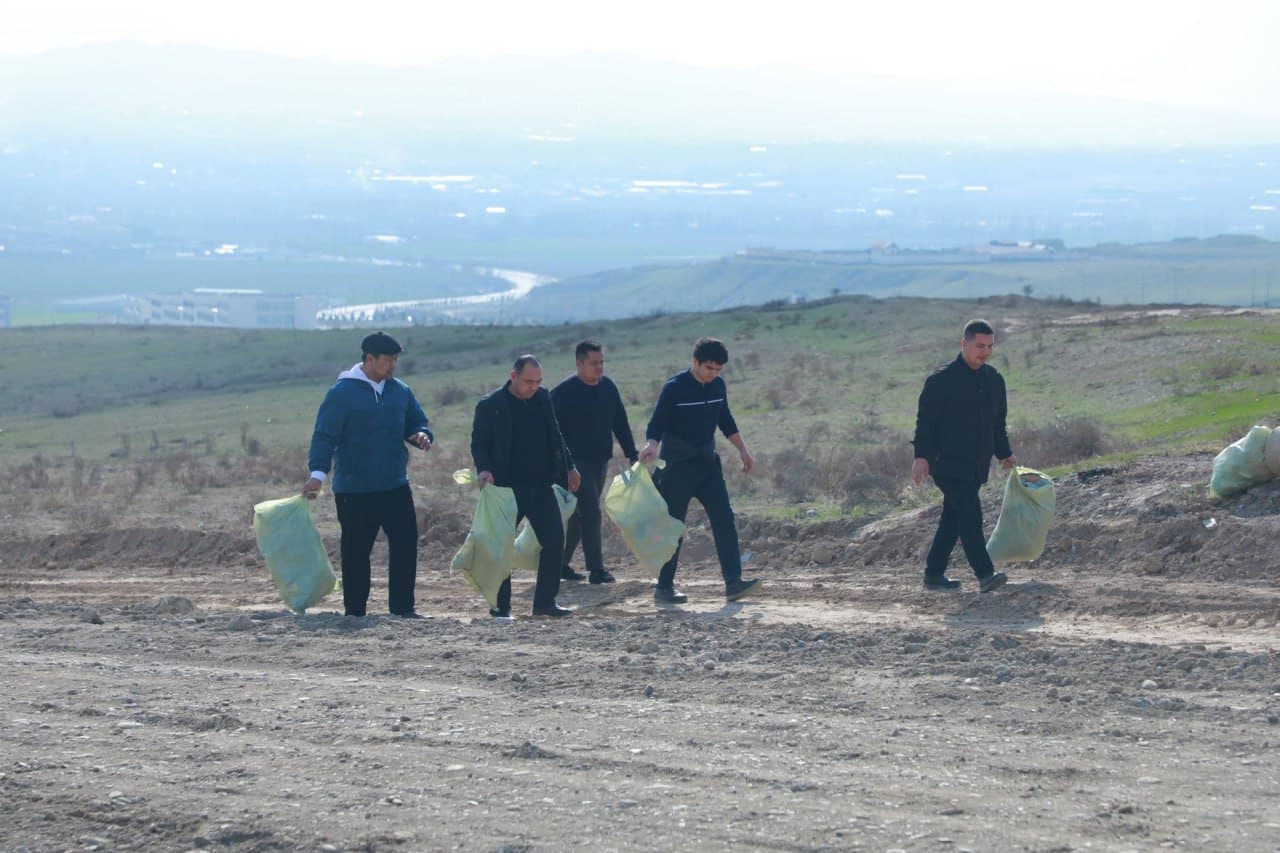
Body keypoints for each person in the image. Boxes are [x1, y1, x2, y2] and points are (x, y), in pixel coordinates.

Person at [304, 332, 433, 617]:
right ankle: (355, 612)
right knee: (356, 552)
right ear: (369, 358)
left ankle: (403, 609)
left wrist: (422, 435)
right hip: (354, 489)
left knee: (405, 545)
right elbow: (324, 436)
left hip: (395, 485)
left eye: (396, 360)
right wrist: (317, 474)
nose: (393, 366)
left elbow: (417, 421)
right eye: (388, 360)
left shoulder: (400, 391)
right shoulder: (341, 394)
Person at [638, 337, 761, 604]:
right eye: (708, 368)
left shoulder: (717, 386)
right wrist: (651, 445)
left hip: (707, 465)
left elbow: (725, 419)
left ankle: (734, 583)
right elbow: (657, 422)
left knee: (724, 519)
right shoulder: (675, 388)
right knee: (673, 527)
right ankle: (664, 586)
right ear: (694, 362)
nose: (713, 374)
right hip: (676, 468)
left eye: (718, 369)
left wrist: (743, 450)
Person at [471, 355, 582, 618]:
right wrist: (484, 470)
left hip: (541, 485)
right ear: (513, 377)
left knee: (555, 541)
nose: (534, 386)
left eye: (538, 381)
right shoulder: (491, 405)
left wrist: (569, 466)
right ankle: (501, 607)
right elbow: (478, 444)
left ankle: (545, 603)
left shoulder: (542, 398)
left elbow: (556, 434)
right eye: (528, 381)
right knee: (501, 547)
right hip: (505, 490)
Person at [911, 318, 1017, 593]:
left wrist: (1004, 453)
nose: (985, 351)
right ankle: (985, 574)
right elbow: (925, 423)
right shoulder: (941, 380)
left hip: (976, 464)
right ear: (964, 344)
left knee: (954, 516)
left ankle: (934, 573)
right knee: (970, 514)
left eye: (990, 346)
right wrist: (922, 457)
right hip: (947, 463)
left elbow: (997, 424)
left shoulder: (994, 380)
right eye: (980, 345)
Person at [551, 340, 640, 585]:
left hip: (600, 460)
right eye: (593, 363)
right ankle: (596, 570)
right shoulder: (562, 393)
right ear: (579, 364)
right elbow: (549, 431)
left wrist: (631, 453)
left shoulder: (608, 387)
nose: (599, 368)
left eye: (601, 363)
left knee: (580, 518)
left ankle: (558, 564)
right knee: (591, 512)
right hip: (573, 464)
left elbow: (619, 421)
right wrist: (561, 464)